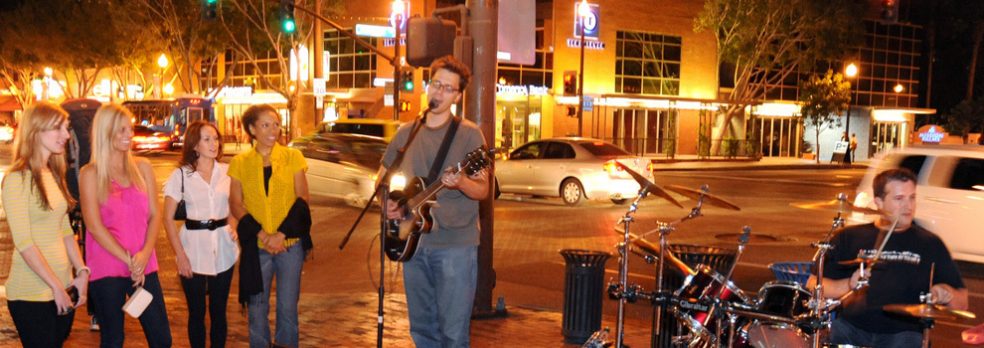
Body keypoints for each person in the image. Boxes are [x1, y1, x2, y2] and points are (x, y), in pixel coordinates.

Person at [380, 55, 489, 347]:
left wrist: (462, 181)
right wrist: (389, 204)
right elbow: (383, 176)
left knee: (453, 334)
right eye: (436, 84)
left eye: (448, 88)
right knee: (422, 330)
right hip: (413, 243)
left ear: (458, 95)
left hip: (455, 246)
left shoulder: (469, 135)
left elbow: (483, 190)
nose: (439, 92)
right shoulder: (407, 132)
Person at [808, 168, 968, 347]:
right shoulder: (849, 236)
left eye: (912, 197)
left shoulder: (929, 243)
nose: (908, 206)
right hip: (852, 328)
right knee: (823, 337)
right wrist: (849, 285)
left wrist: (946, 293)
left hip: (903, 333)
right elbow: (813, 284)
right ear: (879, 202)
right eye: (899, 199)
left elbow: (962, 301)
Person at [79, 103, 171, 347]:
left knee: (161, 338)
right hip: (107, 266)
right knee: (113, 339)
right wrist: (128, 259)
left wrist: (142, 255)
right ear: (105, 132)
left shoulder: (142, 168)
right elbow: (94, 226)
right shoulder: (90, 173)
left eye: (129, 129)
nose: (129, 135)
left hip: (144, 265)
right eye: (120, 130)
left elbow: (154, 215)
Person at [2, 102, 90, 347]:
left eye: (66, 127)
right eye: (58, 128)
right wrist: (55, 287)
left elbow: (64, 231)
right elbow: (24, 242)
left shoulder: (52, 174)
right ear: (36, 131)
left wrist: (81, 272)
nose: (66, 135)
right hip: (32, 294)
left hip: (62, 288)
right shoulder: (17, 179)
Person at [228, 104, 310, 348]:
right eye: (265, 124)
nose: (273, 129)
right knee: (257, 308)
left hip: (290, 246)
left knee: (287, 308)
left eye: (275, 123)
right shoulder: (240, 162)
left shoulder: (293, 157)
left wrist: (281, 235)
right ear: (252, 129)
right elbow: (236, 203)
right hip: (257, 246)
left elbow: (303, 198)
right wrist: (263, 235)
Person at [163, 121, 240, 348]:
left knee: (219, 312)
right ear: (195, 145)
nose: (213, 144)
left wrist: (233, 226)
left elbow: (235, 205)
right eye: (207, 139)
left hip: (224, 248)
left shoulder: (227, 172)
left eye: (215, 139)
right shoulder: (182, 175)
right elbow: (167, 218)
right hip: (193, 249)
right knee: (196, 312)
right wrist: (181, 256)